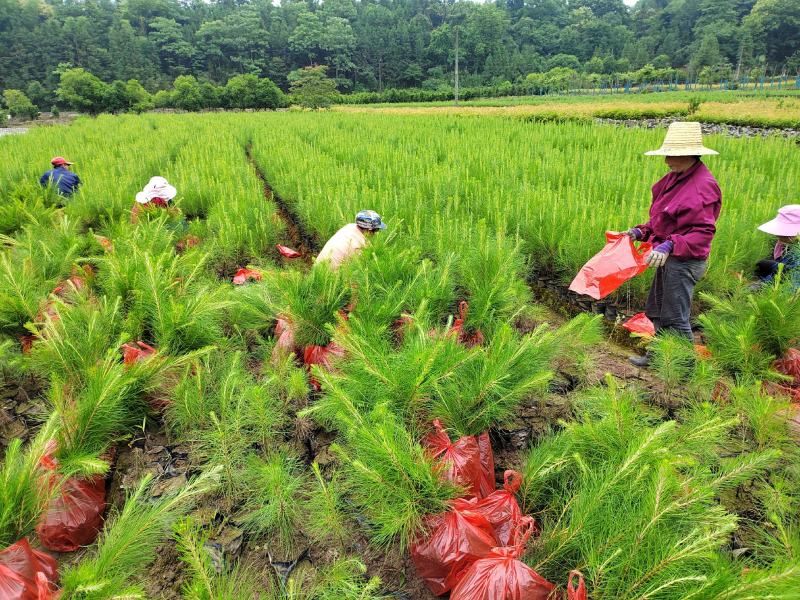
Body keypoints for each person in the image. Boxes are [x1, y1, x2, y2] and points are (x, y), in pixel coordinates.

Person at [624, 122, 722, 367]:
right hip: (669, 257)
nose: (667, 160)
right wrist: (640, 232)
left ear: (688, 154)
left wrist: (669, 246)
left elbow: (703, 232)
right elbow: (662, 221)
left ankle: (686, 371)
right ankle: (657, 358)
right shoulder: (676, 178)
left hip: (684, 261)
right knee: (657, 309)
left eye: (671, 155)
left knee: (676, 317)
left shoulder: (702, 186)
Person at [315, 210, 387, 269]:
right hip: (331, 279)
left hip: (317, 270)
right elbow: (359, 270)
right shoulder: (358, 246)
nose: (375, 233)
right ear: (369, 230)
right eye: (376, 230)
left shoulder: (349, 227)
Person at [754, 205, 800, 287]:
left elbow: (793, 287)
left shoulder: (797, 256)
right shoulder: (790, 246)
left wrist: (758, 286)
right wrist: (775, 266)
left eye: (783, 231)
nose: (777, 234)